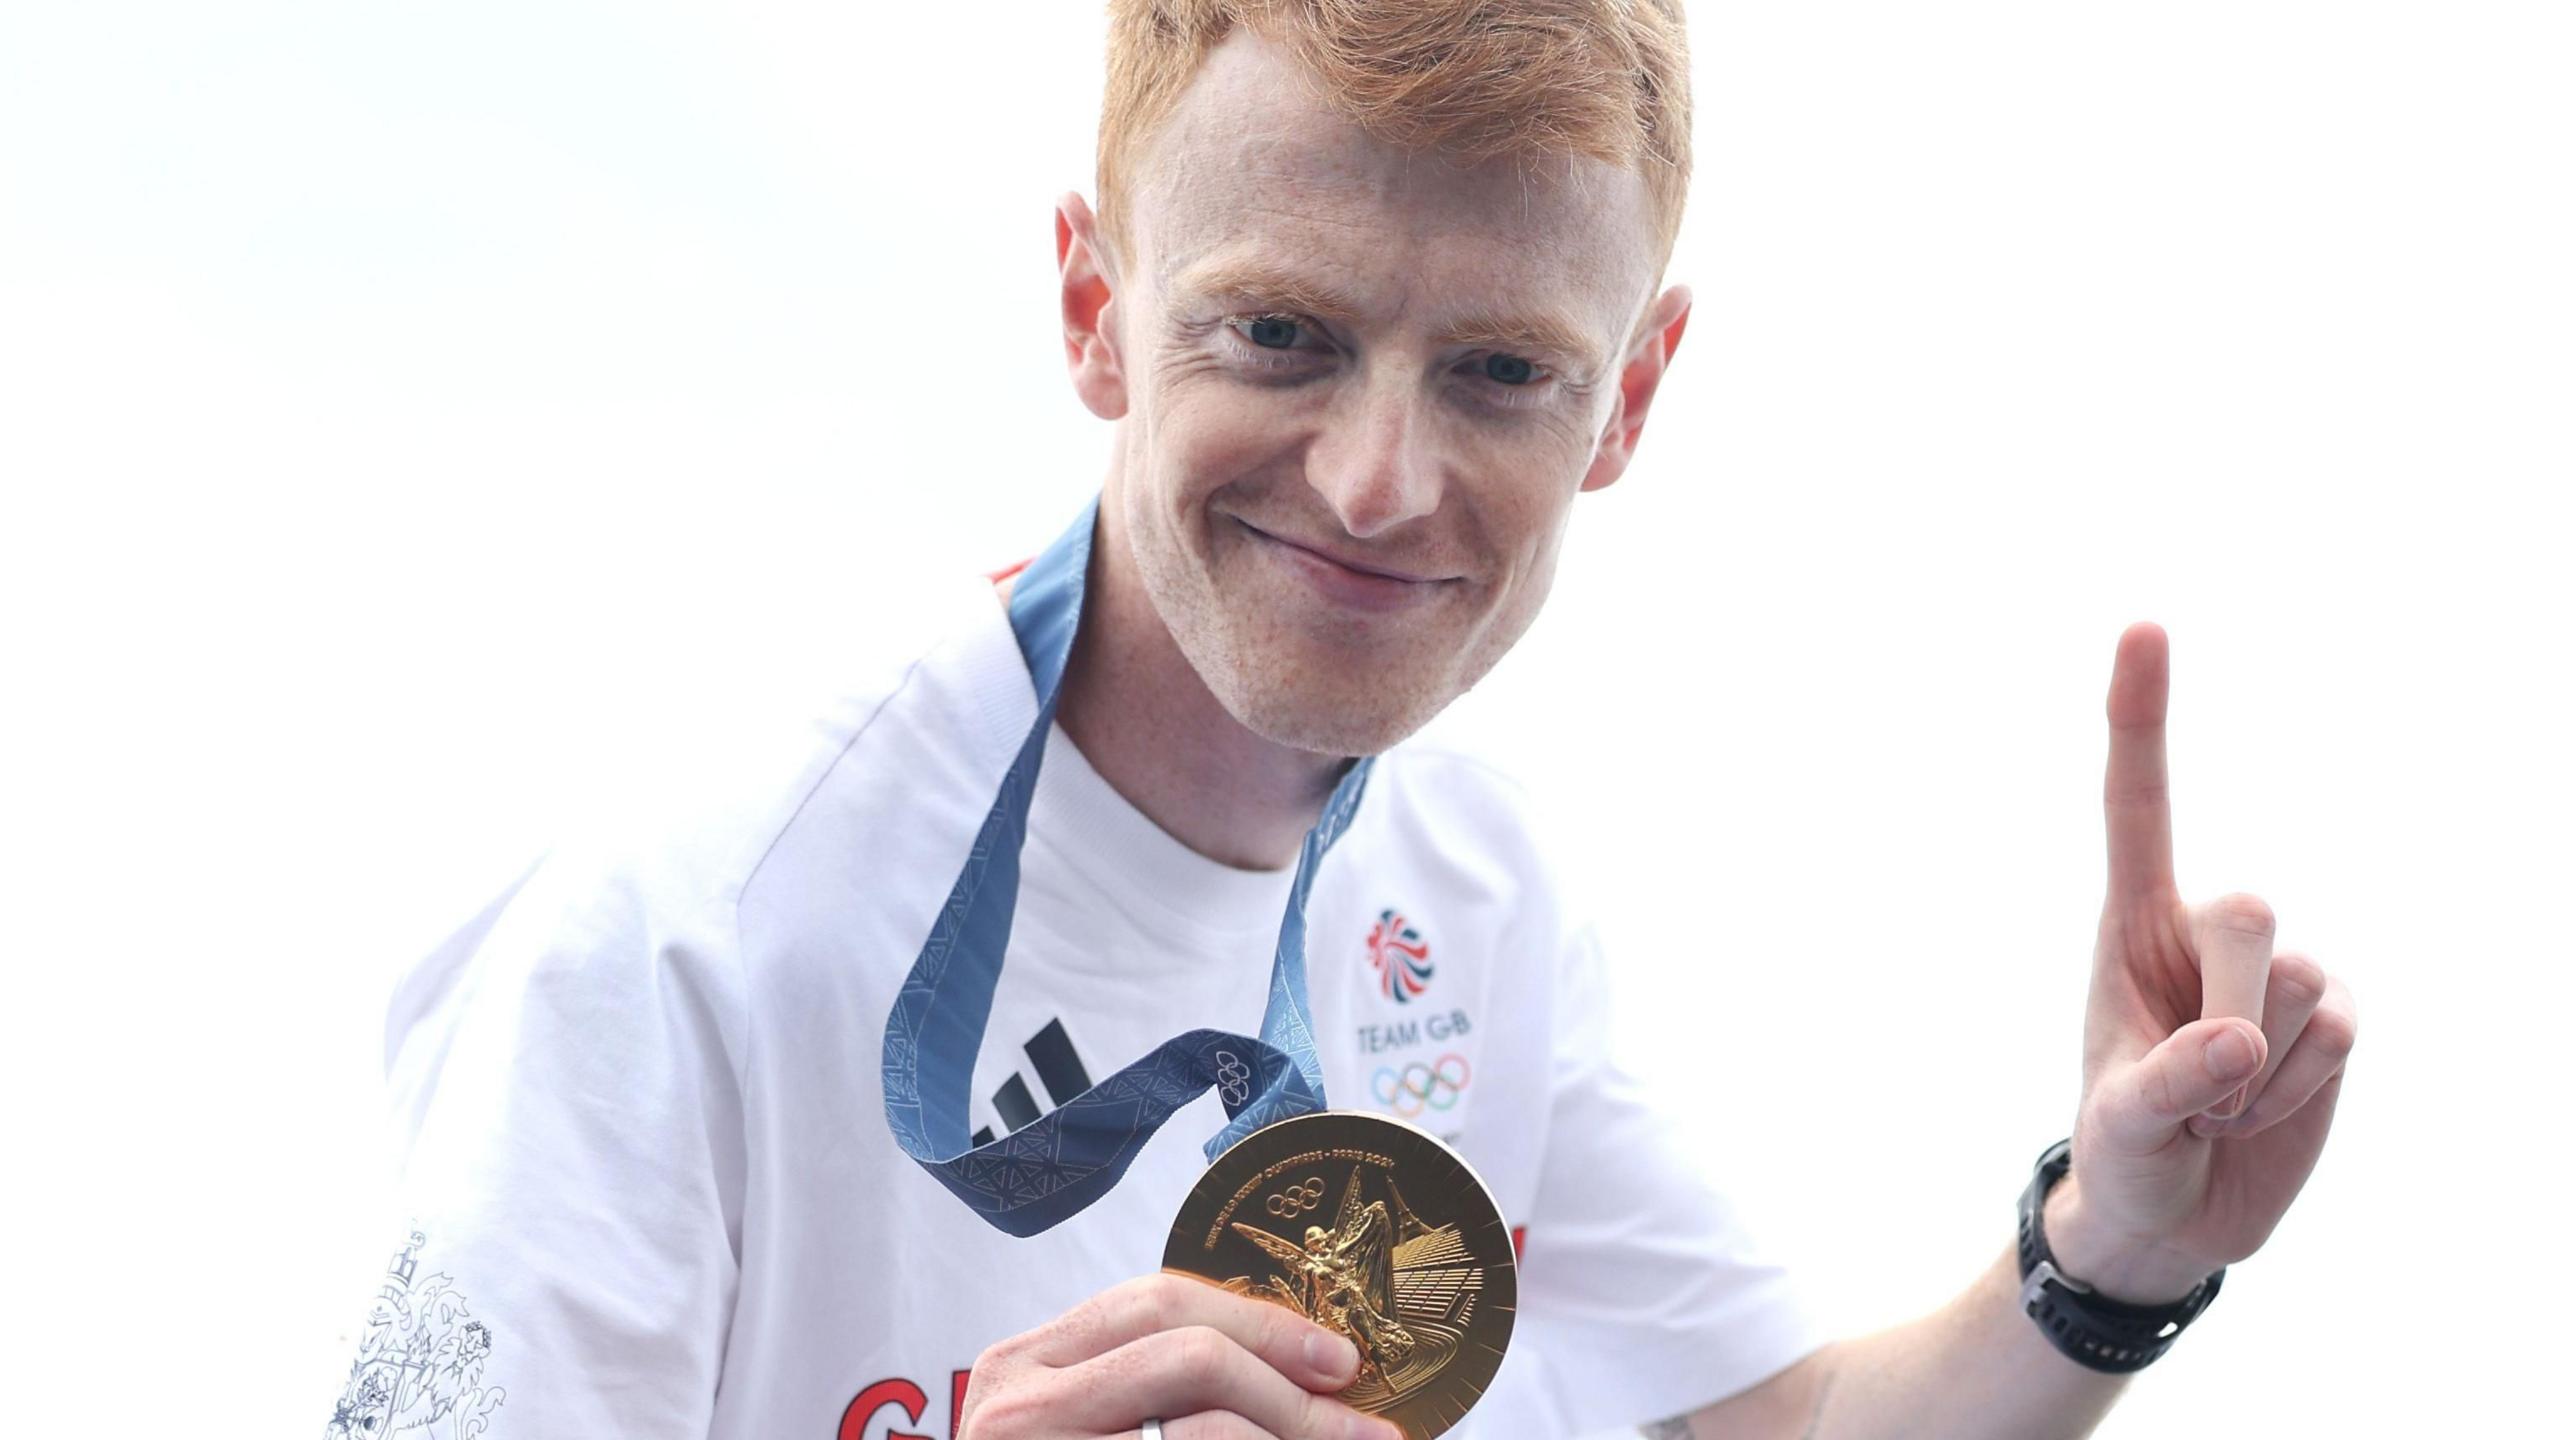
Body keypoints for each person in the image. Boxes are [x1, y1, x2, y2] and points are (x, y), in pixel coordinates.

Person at [325, 3, 2360, 1438]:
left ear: (1628, 401)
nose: (1379, 479)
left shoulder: (1474, 892)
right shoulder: (680, 920)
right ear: (1090, 309)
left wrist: (2105, 1251)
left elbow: (1782, 1427)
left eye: (1495, 372)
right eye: (1279, 333)